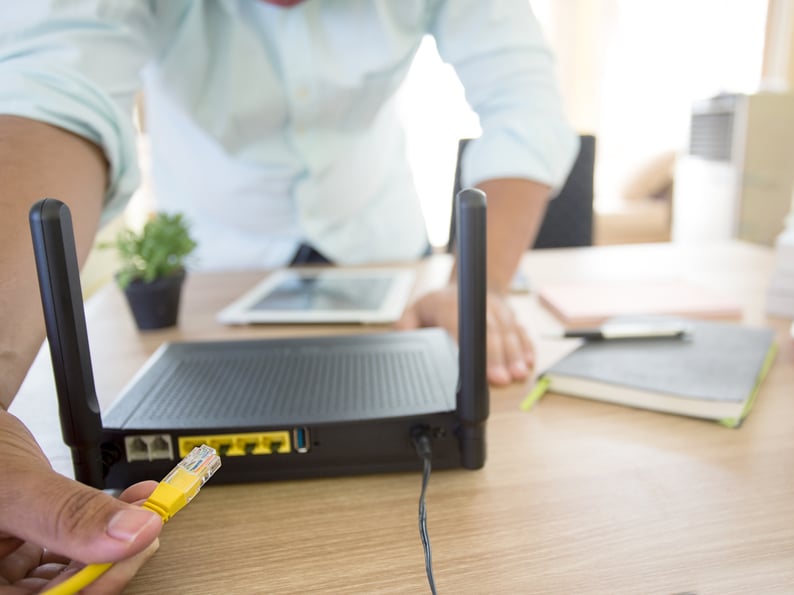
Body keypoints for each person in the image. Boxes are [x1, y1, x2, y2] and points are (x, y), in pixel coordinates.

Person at [0, 0, 577, 591]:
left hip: (378, 241)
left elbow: (523, 99)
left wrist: (476, 287)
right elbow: (50, 92)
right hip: (220, 261)